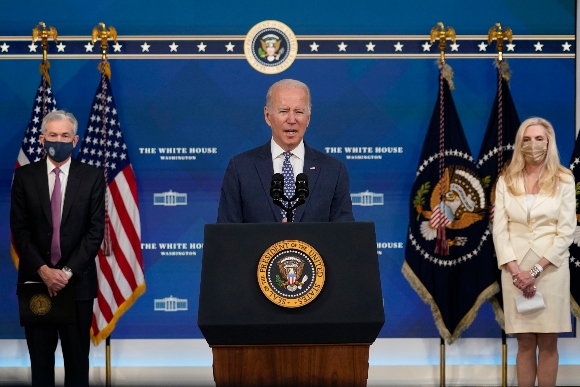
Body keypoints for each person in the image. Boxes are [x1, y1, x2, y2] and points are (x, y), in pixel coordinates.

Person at [10, 110, 106, 387]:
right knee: (40, 366)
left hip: (76, 285)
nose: (58, 140)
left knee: (77, 366)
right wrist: (44, 271)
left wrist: (64, 273)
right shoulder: (25, 177)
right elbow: (20, 229)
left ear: (75, 140)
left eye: (65, 135)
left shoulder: (91, 177)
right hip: (36, 283)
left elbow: (94, 231)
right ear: (42, 139)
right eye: (52, 135)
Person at [493, 117, 575, 387]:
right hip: (515, 270)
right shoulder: (506, 180)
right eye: (527, 139)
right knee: (525, 341)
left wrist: (536, 271)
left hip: (550, 268)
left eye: (539, 138)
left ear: (548, 142)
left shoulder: (564, 178)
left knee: (548, 341)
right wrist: (517, 271)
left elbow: (565, 231)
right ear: (519, 144)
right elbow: (500, 230)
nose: (533, 144)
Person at [217, 79, 354, 223]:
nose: (292, 119)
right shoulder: (240, 168)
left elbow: (344, 235)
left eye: (299, 111)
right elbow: (227, 234)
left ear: (308, 117)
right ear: (268, 116)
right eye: (283, 111)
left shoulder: (333, 170)